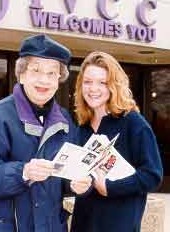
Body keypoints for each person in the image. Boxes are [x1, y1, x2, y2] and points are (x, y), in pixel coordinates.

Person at [0, 34, 91, 232]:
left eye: (52, 73)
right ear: (22, 74)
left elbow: (69, 174)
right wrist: (23, 172)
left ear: (59, 79)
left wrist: (77, 186)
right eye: (36, 70)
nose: (44, 80)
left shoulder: (65, 120)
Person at [70, 51, 163, 232]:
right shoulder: (81, 128)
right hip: (83, 224)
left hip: (119, 225)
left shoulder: (133, 123)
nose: (93, 89)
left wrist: (111, 188)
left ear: (114, 85)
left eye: (102, 82)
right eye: (87, 82)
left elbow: (152, 175)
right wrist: (75, 184)